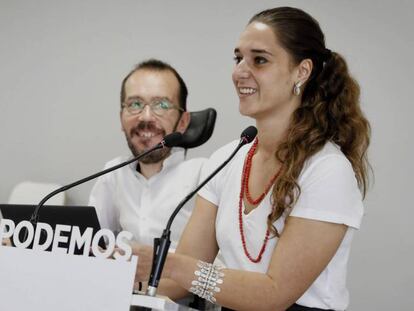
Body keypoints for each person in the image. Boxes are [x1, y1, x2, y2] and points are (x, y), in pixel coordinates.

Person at [133, 6, 371, 311]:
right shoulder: (227, 159)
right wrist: (120, 272)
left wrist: (168, 264)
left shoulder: (328, 171)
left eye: (259, 60)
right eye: (238, 59)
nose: (239, 72)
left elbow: (274, 295)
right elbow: (181, 280)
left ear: (302, 71)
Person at [88, 59, 206, 250]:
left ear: (183, 122)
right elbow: (93, 245)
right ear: (121, 118)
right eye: (135, 104)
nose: (145, 117)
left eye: (161, 105)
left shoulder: (204, 175)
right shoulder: (113, 175)